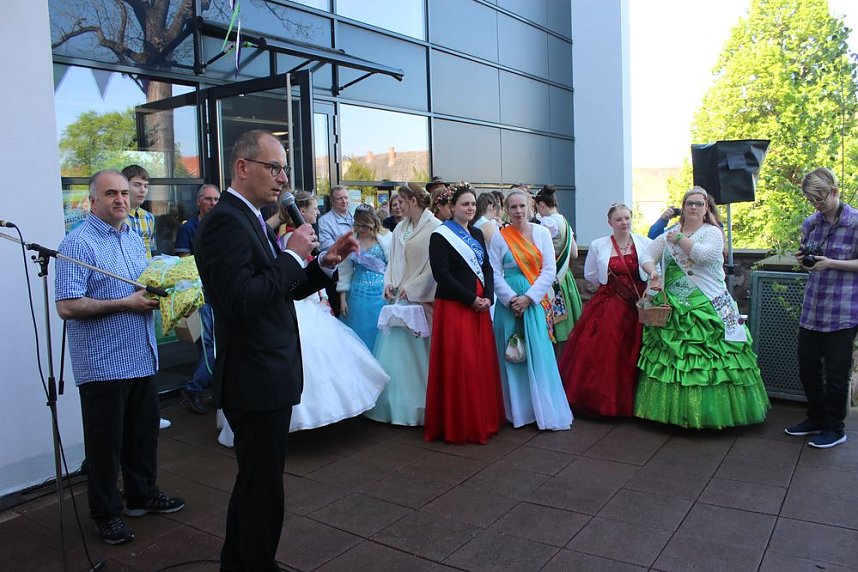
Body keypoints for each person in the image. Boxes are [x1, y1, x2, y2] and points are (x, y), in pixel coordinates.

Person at [194, 130, 358, 570]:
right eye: (274, 168)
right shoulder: (226, 222)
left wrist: (322, 263)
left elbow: (277, 289)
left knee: (257, 484)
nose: (283, 178)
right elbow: (240, 299)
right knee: (262, 488)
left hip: (266, 372)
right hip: (253, 376)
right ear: (242, 167)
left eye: (284, 169)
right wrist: (290, 256)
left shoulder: (249, 217)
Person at [56, 170, 185, 545]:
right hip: (103, 364)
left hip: (140, 355)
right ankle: (105, 514)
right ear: (92, 200)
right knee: (105, 447)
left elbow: (139, 287)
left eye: (124, 193)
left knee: (142, 435)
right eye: (111, 193)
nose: (120, 200)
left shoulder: (132, 237)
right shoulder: (77, 243)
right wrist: (125, 303)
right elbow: (67, 306)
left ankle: (142, 494)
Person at [634, 186, 770, 429]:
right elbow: (646, 255)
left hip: (709, 303)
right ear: (683, 207)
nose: (694, 207)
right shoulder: (669, 233)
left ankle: (713, 413)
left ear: (706, 208)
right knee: (675, 358)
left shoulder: (712, 233)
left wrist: (680, 239)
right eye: (690, 203)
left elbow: (704, 257)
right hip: (674, 306)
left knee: (715, 357)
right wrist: (653, 271)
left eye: (699, 203)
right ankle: (674, 413)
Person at [558, 203, 656, 416]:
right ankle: (609, 402)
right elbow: (591, 273)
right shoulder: (598, 245)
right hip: (611, 303)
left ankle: (638, 401)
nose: (624, 223)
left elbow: (654, 270)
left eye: (627, 218)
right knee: (609, 350)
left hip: (639, 303)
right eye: (619, 219)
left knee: (639, 348)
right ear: (610, 222)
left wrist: (649, 293)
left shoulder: (645, 243)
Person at [424, 185, 505, 444]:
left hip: (480, 306)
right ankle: (459, 424)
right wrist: (471, 299)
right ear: (452, 207)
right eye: (464, 204)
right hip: (456, 306)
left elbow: (487, 268)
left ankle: (482, 419)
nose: (469, 208)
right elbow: (442, 275)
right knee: (461, 365)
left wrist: (489, 296)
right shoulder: (440, 236)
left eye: (472, 204)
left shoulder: (478, 233)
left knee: (479, 364)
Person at [784, 167, 858, 448]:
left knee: (837, 374)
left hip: (844, 310)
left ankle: (835, 428)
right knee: (807, 369)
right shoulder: (811, 224)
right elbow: (810, 260)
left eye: (819, 198)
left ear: (834, 191)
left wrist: (832, 263)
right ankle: (815, 418)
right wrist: (805, 260)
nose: (815, 204)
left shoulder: (855, 222)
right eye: (811, 200)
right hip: (813, 308)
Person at [490, 190, 573, 431]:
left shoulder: (542, 233)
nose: (518, 211)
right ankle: (515, 411)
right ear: (506, 210)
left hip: (533, 302)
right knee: (510, 357)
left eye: (522, 206)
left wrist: (528, 298)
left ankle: (542, 410)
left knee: (538, 354)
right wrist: (510, 299)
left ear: (531, 207)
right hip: (508, 304)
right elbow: (494, 272)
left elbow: (549, 270)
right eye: (513, 207)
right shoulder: (500, 237)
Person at [366, 183, 441, 426]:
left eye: (401, 200)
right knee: (396, 355)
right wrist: (389, 283)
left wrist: (413, 288)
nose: (397, 205)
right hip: (400, 298)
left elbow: (434, 266)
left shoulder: (435, 226)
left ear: (413, 200)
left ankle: (421, 405)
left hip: (420, 299)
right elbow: (393, 261)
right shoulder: (400, 227)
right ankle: (394, 406)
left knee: (420, 354)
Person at [122, 164, 170, 430]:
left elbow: (150, 254)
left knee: (149, 349)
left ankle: (150, 410)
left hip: (146, 286)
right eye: (137, 185)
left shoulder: (148, 218)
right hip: (125, 289)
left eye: (145, 186)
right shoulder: (119, 218)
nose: (142, 190)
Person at [175, 184, 221, 415]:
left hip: (219, 292)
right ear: (198, 201)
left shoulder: (220, 226)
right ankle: (193, 389)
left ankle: (209, 388)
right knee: (209, 345)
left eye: (216, 199)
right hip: (200, 295)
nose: (212, 203)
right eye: (208, 199)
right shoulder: (188, 228)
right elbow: (185, 265)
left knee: (213, 344)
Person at [533, 185, 584, 343]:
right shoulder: (564, 221)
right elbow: (574, 253)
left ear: (542, 205)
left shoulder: (547, 222)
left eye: (537, 207)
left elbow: (538, 252)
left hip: (552, 277)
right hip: (565, 276)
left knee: (551, 326)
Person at [339, 205, 391, 350]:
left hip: (380, 294)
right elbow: (345, 270)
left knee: (379, 334)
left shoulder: (387, 238)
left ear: (372, 222)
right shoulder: (349, 240)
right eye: (358, 225)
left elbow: (393, 266)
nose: (361, 229)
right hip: (357, 294)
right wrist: (342, 298)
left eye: (365, 226)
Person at [318, 185, 354, 316]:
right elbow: (328, 249)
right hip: (338, 276)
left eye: (346, 198)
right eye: (340, 199)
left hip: (357, 275)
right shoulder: (325, 221)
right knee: (342, 313)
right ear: (332, 201)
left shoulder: (356, 217)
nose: (344, 201)